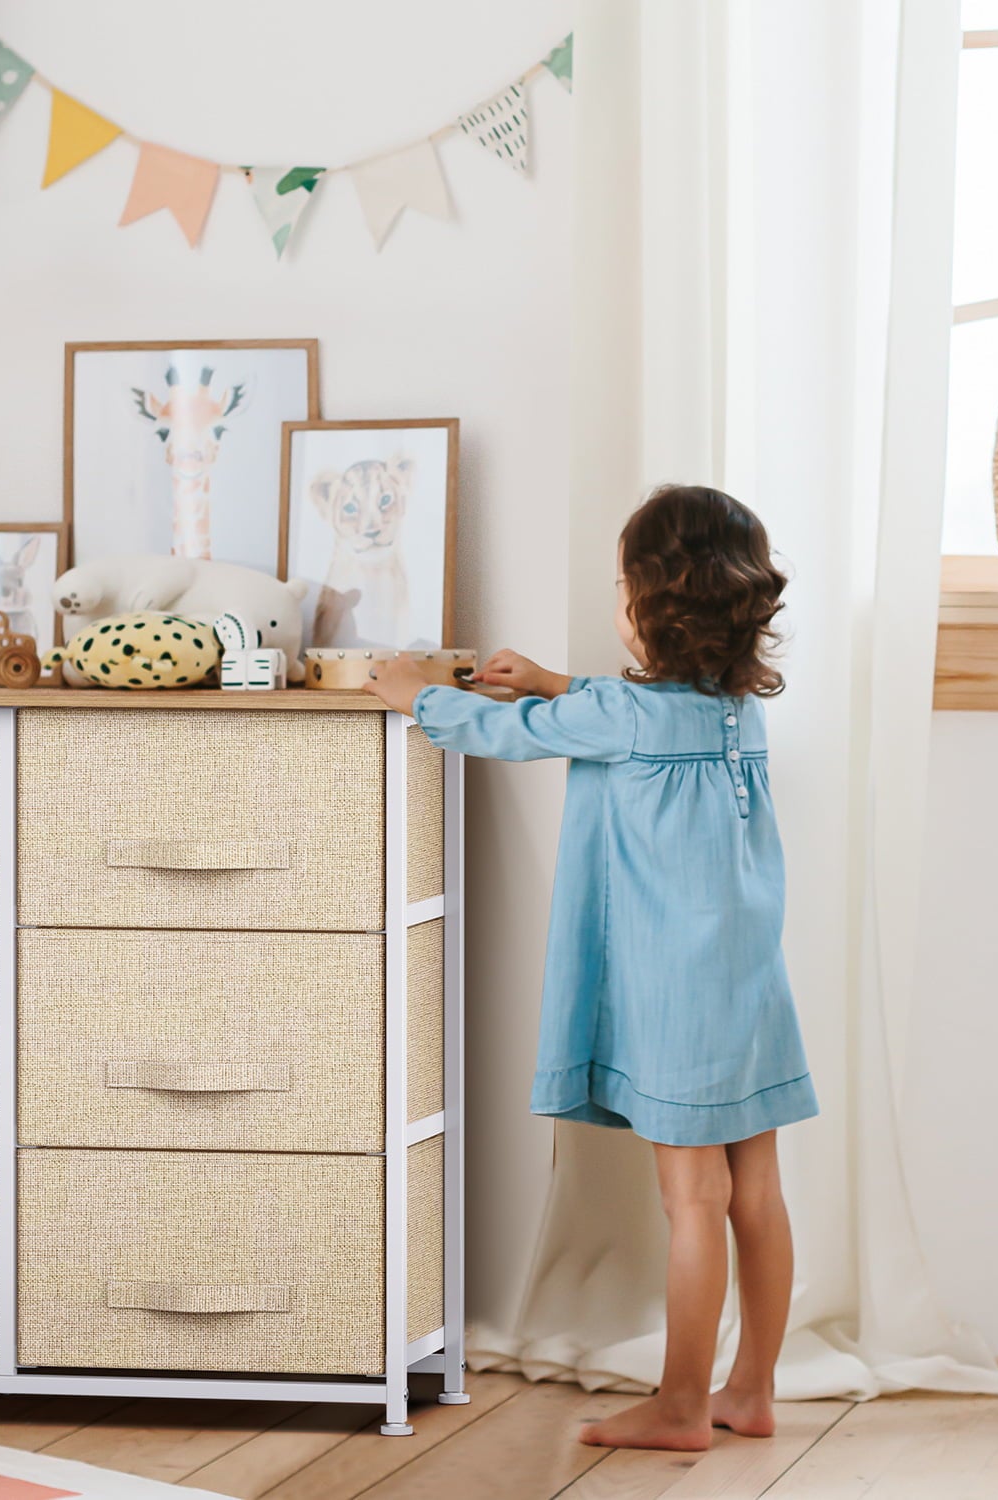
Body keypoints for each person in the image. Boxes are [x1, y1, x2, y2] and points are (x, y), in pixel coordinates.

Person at [364, 484, 817, 1452]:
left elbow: (507, 736)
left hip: (678, 994)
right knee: (758, 1196)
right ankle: (752, 1389)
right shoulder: (736, 709)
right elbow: (627, 718)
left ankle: (683, 1405)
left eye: (623, 584)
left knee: (691, 1202)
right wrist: (554, 681)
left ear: (653, 605)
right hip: (748, 982)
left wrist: (418, 696)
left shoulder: (626, 714)